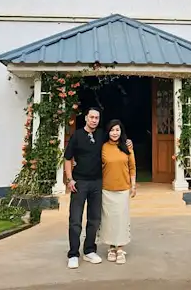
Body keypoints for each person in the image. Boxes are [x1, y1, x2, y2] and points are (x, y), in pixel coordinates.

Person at [64, 107, 133, 269]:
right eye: (91, 117)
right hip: (79, 183)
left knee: (94, 219)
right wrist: (70, 179)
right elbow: (68, 158)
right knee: (75, 220)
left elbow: (116, 137)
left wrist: (128, 141)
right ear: (86, 118)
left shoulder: (102, 135)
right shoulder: (77, 136)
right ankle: (73, 254)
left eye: (97, 118)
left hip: (97, 183)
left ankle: (89, 250)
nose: (94, 120)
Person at [99, 119, 136, 265]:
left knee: (121, 220)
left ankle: (120, 248)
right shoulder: (103, 147)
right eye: (112, 130)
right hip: (106, 189)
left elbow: (132, 167)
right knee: (109, 220)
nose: (115, 133)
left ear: (121, 131)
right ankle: (111, 248)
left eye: (117, 130)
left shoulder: (127, 146)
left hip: (123, 189)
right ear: (108, 132)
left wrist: (133, 186)